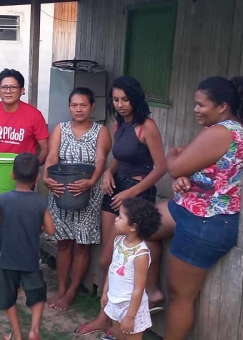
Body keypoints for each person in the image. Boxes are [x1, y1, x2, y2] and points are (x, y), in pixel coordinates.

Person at [148, 76, 243, 340]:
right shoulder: (220, 128)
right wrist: (185, 175)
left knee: (181, 295)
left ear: (222, 106)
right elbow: (201, 167)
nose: (195, 109)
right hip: (188, 208)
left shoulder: (222, 132)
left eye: (200, 104)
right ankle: (152, 291)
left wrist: (174, 163)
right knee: (141, 223)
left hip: (208, 222)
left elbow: (176, 163)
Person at [74, 76, 166, 337]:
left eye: (125, 99)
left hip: (137, 195)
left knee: (110, 258)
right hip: (116, 187)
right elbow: (120, 156)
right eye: (115, 99)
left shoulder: (147, 126)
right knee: (110, 257)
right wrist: (107, 172)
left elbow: (161, 168)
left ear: (135, 98)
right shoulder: (119, 124)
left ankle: (123, 317)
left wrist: (131, 192)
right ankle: (106, 318)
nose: (120, 104)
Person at [0, 68, 49, 275]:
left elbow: (45, 147)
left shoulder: (34, 115)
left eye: (13, 87)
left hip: (22, 178)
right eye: (4, 87)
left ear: (22, 90)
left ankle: (19, 261)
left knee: (19, 222)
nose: (8, 91)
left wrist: (32, 167)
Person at [43, 88, 112, 310]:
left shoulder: (101, 131)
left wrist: (91, 181)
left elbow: (101, 158)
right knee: (64, 242)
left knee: (82, 244)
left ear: (92, 107)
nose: (78, 109)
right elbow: (52, 156)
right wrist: (46, 175)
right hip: (61, 192)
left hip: (88, 193)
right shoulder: (60, 129)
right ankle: (61, 288)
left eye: (83, 105)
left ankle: (72, 291)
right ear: (69, 107)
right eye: (74, 105)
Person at [0, 153, 56, 340]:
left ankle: (18, 335)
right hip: (31, 260)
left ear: (12, 175)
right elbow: (51, 230)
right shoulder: (41, 201)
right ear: (36, 177)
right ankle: (34, 330)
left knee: (8, 298)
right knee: (37, 294)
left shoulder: (3, 199)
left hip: (8, 260)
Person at [101, 198, 161, 340]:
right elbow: (112, 268)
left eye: (120, 217)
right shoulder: (118, 241)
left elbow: (138, 288)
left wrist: (130, 316)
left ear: (133, 226)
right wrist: (105, 292)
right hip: (115, 301)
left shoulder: (141, 254)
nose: (116, 219)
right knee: (118, 336)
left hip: (131, 307)